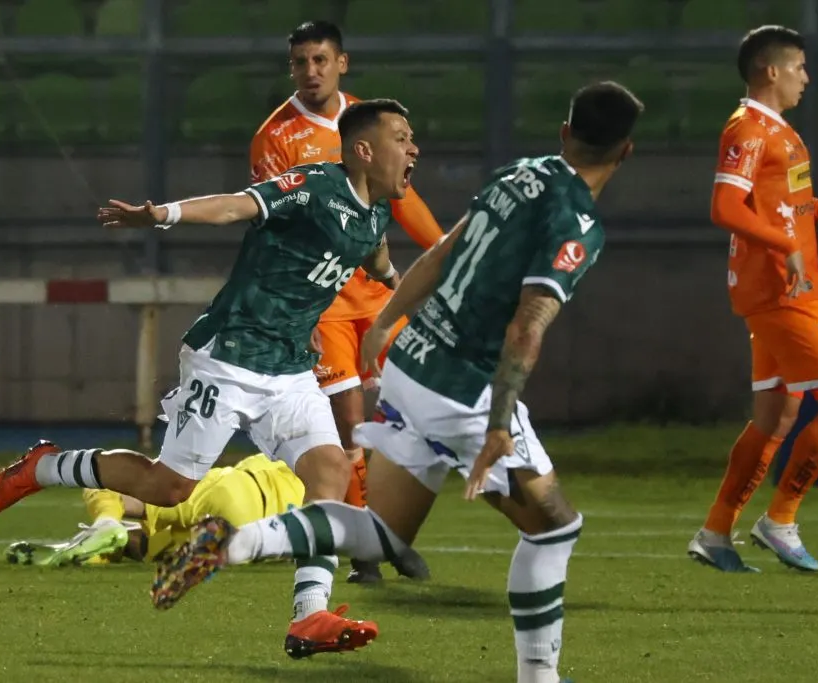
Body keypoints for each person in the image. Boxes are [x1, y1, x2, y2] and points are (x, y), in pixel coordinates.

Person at [150, 81, 643, 683]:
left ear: (564, 134)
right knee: (556, 528)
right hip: (466, 389)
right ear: (625, 152)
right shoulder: (579, 224)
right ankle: (540, 678)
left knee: (382, 534)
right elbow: (527, 327)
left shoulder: (520, 175)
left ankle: (233, 543)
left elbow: (441, 253)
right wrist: (498, 425)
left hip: (414, 362)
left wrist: (385, 326)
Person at [0, 98, 426, 658]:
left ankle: (309, 616)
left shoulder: (376, 212)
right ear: (364, 150)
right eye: (402, 138)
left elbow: (374, 253)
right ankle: (44, 467)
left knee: (331, 471)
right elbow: (235, 206)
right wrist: (160, 215)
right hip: (228, 357)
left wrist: (396, 284)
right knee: (168, 488)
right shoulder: (315, 186)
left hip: (289, 370)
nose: (414, 148)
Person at [251, 20, 445, 584]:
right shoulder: (276, 137)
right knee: (350, 422)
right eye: (300, 62)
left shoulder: (369, 119)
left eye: (320, 60)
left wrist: (444, 252)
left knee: (412, 411)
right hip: (325, 300)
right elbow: (276, 226)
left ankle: (386, 530)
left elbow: (403, 197)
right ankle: (366, 553)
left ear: (342, 63)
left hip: (378, 295)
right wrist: (298, 307)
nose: (310, 72)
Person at [687, 25, 818, 574]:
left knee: (776, 417)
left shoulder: (776, 130)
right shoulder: (748, 129)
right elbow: (725, 207)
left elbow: (784, 205)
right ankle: (780, 521)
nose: (806, 77)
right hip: (783, 290)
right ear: (771, 71)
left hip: (781, 287)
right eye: (798, 67)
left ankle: (716, 532)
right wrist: (784, 247)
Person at [4, 453, 304, 567]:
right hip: (256, 542)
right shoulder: (327, 483)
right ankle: (96, 553)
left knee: (108, 487)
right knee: (153, 546)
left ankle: (106, 523)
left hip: (240, 490)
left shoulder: (306, 450)